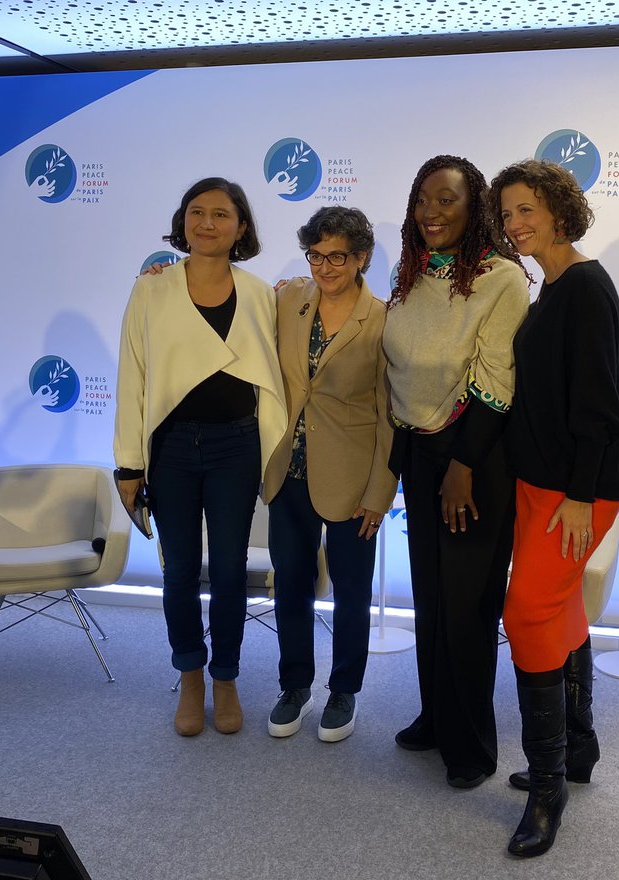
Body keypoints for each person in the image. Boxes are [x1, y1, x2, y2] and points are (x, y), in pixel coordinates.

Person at [488, 159, 619, 857]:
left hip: (576, 488)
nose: (515, 224)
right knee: (562, 606)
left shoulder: (585, 286)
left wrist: (579, 493)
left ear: (558, 208)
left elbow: (601, 403)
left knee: (528, 611)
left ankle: (548, 788)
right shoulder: (550, 287)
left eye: (526, 210)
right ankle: (577, 749)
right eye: (507, 214)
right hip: (539, 481)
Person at [114, 177, 286, 737]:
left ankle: (227, 676)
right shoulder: (151, 289)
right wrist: (127, 464)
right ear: (182, 220)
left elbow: (271, 378)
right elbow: (133, 377)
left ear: (241, 227)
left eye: (220, 214)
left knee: (232, 569)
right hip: (170, 449)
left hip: (236, 445)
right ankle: (190, 675)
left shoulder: (260, 294)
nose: (206, 224)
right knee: (181, 571)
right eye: (196, 212)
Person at [382, 155, 530, 788]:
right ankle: (436, 716)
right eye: (422, 201)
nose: (431, 213)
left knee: (468, 606)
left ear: (476, 210)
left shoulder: (502, 278)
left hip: (475, 458)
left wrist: (463, 464)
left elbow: (499, 377)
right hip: (421, 452)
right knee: (432, 597)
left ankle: (472, 745)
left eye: (446, 200)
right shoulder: (408, 273)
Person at [262, 207, 396, 742]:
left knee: (351, 592)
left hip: (354, 478)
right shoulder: (288, 298)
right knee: (290, 587)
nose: (324, 266)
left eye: (336, 255)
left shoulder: (384, 318)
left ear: (361, 258)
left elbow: (391, 412)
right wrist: (163, 275)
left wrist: (381, 493)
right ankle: (294, 685)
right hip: (287, 473)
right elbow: (227, 298)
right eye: (315, 255)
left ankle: (344, 691)